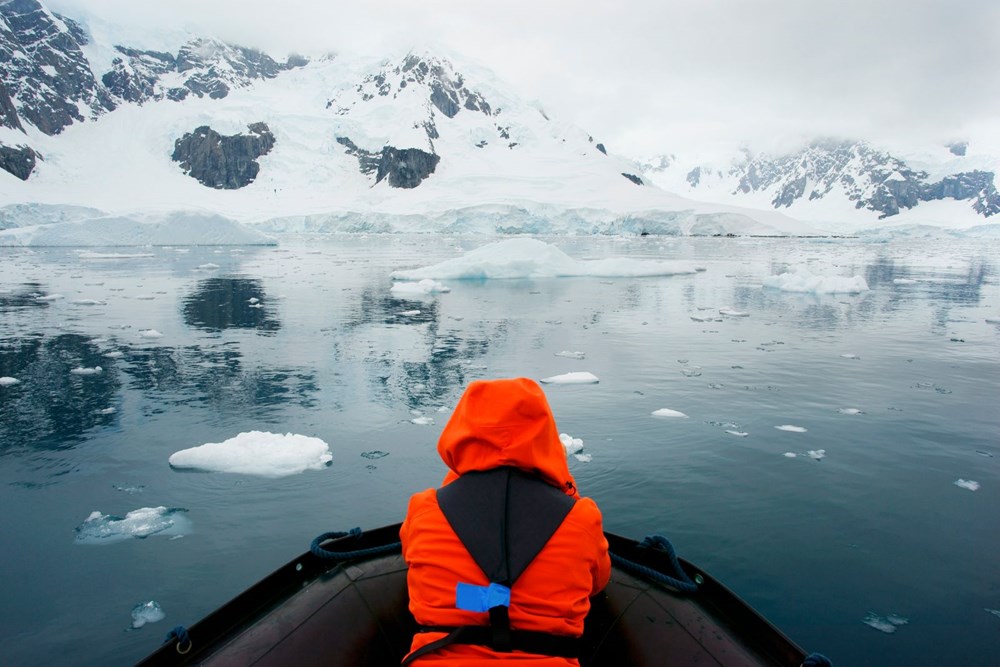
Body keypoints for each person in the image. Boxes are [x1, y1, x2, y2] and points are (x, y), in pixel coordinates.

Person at [400, 377, 611, 665]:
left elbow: (415, 567)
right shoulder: (581, 518)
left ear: (461, 432)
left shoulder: (425, 510)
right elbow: (598, 584)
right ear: (545, 433)